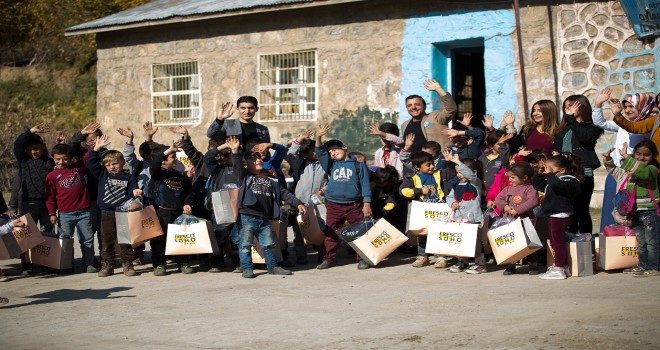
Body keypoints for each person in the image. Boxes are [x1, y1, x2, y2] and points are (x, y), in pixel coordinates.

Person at [235, 137, 306, 278]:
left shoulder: (271, 176)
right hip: (248, 215)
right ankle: (247, 268)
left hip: (265, 216)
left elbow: (283, 192)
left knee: (269, 243)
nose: (258, 161)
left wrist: (297, 202)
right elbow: (237, 164)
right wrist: (234, 151)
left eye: (259, 158)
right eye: (253, 160)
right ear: (246, 165)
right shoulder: (244, 175)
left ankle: (273, 267)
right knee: (245, 244)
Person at [314, 124, 372, 270]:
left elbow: (365, 185)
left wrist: (367, 203)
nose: (333, 153)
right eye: (330, 151)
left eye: (335, 149)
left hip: (354, 205)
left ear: (344, 147)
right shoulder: (331, 165)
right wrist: (318, 137)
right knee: (330, 233)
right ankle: (329, 258)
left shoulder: (359, 166)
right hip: (333, 205)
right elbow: (320, 152)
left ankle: (362, 258)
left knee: (359, 232)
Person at [593, 89, 653, 231]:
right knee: (613, 209)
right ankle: (612, 240)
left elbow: (634, 130)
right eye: (625, 106)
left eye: (631, 106)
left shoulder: (647, 126)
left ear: (643, 107)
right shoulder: (622, 124)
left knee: (630, 213)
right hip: (617, 173)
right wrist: (598, 103)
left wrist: (618, 116)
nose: (627, 109)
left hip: (634, 175)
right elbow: (600, 122)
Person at [86, 134, 142, 277]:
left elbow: (132, 190)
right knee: (106, 240)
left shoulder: (129, 176)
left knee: (124, 240)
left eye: (115, 163)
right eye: (108, 165)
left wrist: (135, 192)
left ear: (122, 162)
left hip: (122, 213)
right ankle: (107, 265)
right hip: (106, 212)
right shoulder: (103, 174)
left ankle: (127, 265)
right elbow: (90, 163)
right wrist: (96, 149)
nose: (112, 167)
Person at [603, 140, 660, 277]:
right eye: (638, 154)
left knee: (652, 242)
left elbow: (643, 172)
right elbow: (614, 171)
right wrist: (608, 159)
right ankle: (644, 265)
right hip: (634, 212)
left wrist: (628, 158)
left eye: (646, 155)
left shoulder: (652, 170)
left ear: (653, 156)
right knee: (641, 242)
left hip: (649, 211)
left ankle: (654, 266)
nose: (641, 157)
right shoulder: (627, 173)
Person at [10, 123, 55, 275]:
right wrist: (30, 132)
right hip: (28, 203)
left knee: (47, 233)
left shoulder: (49, 162)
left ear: (42, 147)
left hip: (46, 204)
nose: (33, 152)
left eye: (36, 149)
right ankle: (28, 266)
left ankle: (46, 262)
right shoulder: (24, 161)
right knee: (27, 235)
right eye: (29, 150)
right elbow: (17, 144)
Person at [553, 95, 602, 234]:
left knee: (582, 210)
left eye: (572, 105)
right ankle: (572, 244)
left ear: (582, 106)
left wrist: (572, 120)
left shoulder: (592, 126)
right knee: (570, 210)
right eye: (566, 106)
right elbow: (557, 146)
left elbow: (585, 137)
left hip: (582, 173)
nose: (568, 109)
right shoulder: (564, 127)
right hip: (564, 172)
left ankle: (586, 244)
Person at [45, 143, 97, 273]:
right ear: (53, 158)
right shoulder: (51, 176)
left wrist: (94, 147)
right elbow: (50, 197)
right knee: (65, 241)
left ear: (70, 158)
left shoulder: (78, 168)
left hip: (84, 211)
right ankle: (66, 264)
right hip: (65, 214)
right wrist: (52, 213)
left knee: (87, 240)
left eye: (64, 159)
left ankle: (89, 263)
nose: (61, 162)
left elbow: (87, 157)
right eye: (57, 159)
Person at [149, 140, 195, 276]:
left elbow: (189, 193)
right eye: (172, 157)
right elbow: (154, 164)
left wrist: (187, 203)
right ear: (163, 161)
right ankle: (159, 264)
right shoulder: (158, 174)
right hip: (161, 213)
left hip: (178, 214)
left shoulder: (180, 175)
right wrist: (169, 150)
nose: (175, 159)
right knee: (159, 241)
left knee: (180, 239)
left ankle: (183, 262)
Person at [532, 154, 582, 280]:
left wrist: (549, 175)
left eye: (549, 168)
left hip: (560, 215)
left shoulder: (570, 180)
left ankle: (558, 268)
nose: (547, 171)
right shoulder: (554, 181)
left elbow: (557, 185)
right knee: (555, 241)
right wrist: (539, 173)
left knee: (557, 243)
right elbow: (538, 186)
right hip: (552, 215)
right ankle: (563, 266)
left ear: (562, 170)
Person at [285, 130, 328, 265]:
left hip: (320, 203)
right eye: (312, 151)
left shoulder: (325, 164)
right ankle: (301, 257)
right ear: (304, 154)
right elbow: (290, 154)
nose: (315, 153)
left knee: (321, 229)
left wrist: (322, 190)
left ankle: (323, 255)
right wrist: (299, 139)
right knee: (299, 231)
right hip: (300, 203)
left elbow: (332, 181)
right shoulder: (299, 164)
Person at [202, 136, 243, 272]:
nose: (227, 156)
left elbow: (237, 163)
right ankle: (216, 263)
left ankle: (238, 262)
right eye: (226, 154)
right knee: (219, 234)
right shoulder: (218, 169)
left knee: (237, 236)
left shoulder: (240, 169)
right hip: (221, 204)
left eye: (230, 154)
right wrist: (222, 146)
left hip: (237, 204)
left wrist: (235, 151)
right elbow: (207, 158)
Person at [443, 151, 486, 274]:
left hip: (473, 219)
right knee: (460, 242)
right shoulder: (456, 185)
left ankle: (480, 265)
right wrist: (452, 203)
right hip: (458, 219)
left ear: (474, 172)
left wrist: (458, 162)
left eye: (461, 171)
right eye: (458, 172)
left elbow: (470, 176)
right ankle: (463, 262)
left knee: (476, 244)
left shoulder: (475, 183)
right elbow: (449, 197)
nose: (459, 174)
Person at [400, 151, 444, 268]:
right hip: (422, 210)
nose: (432, 167)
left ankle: (441, 257)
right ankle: (422, 256)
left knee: (438, 233)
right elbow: (403, 191)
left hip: (438, 208)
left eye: (432, 164)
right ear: (417, 167)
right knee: (422, 233)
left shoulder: (438, 174)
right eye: (428, 165)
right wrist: (420, 191)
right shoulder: (412, 178)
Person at [494, 162, 540, 275]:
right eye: (509, 177)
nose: (510, 179)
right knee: (511, 243)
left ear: (524, 177)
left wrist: (517, 210)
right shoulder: (507, 189)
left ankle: (533, 264)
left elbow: (533, 201)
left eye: (513, 177)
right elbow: (498, 199)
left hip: (526, 221)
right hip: (510, 222)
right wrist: (504, 206)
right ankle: (511, 264)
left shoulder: (530, 189)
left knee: (530, 243)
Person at [401, 79, 458, 152]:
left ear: (425, 106)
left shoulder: (435, 117)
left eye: (417, 104)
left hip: (438, 161)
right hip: (415, 162)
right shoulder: (404, 125)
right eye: (409, 105)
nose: (413, 107)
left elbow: (451, 109)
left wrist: (439, 89)